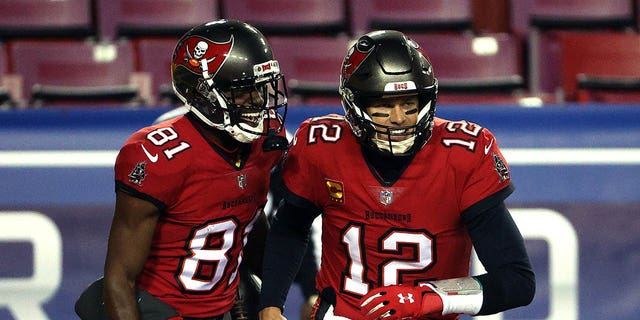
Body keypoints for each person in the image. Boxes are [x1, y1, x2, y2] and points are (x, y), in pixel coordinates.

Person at [258, 30, 535, 320]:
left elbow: (517, 280)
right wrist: (271, 305)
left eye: (409, 103)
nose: (399, 117)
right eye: (384, 105)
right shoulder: (322, 145)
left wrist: (428, 296)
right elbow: (289, 228)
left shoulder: (463, 154)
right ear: (355, 104)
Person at [75, 19, 288, 320]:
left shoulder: (263, 146)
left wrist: (271, 299)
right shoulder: (157, 156)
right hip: (161, 309)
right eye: (242, 93)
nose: (257, 103)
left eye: (261, 90)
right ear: (202, 94)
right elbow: (119, 278)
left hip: (223, 306)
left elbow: (248, 224)